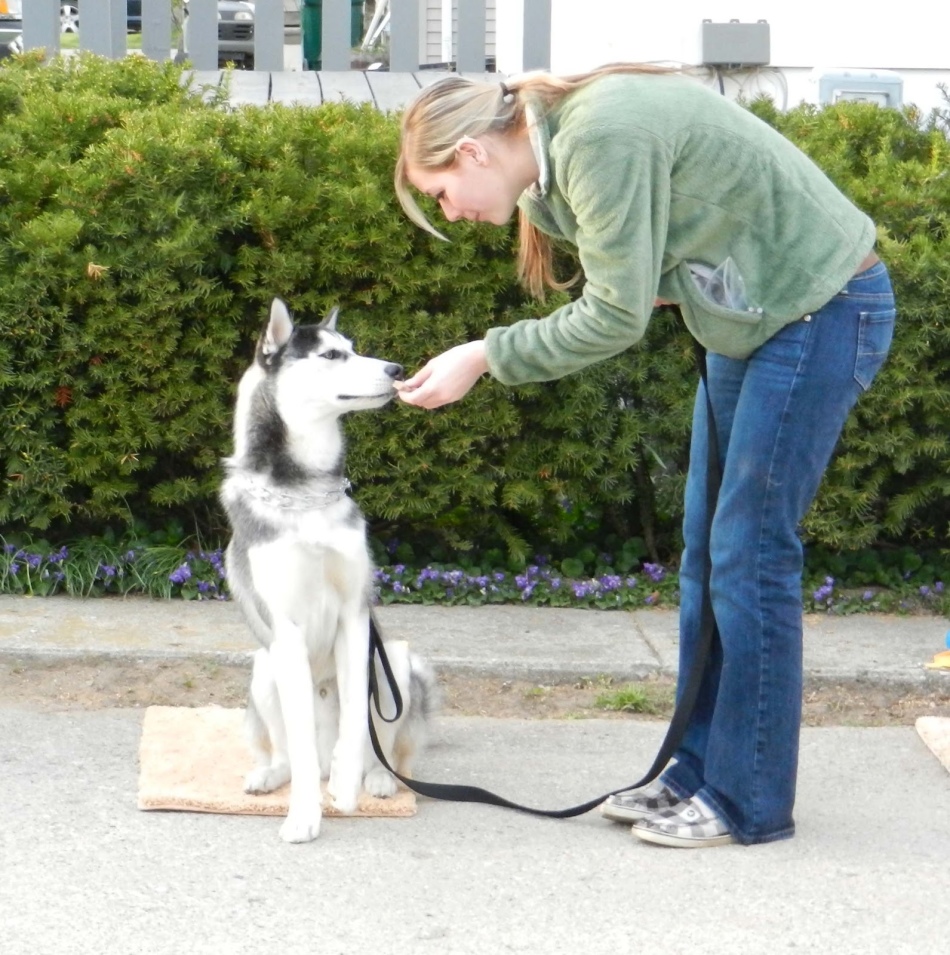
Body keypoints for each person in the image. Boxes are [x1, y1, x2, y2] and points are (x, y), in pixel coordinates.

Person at [392, 64, 896, 848]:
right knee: (707, 551)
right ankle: (696, 770)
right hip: (755, 317)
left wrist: (483, 355)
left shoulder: (597, 135)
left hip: (822, 308)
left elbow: (614, 317)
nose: (449, 211)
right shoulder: (550, 177)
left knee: (751, 554)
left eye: (439, 193)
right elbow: (653, 262)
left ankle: (747, 799)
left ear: (471, 153)